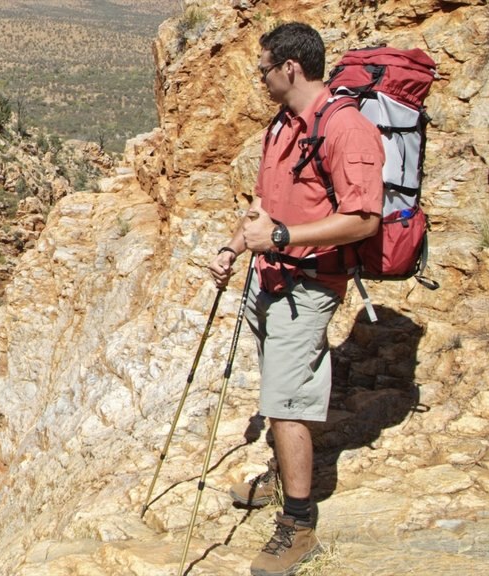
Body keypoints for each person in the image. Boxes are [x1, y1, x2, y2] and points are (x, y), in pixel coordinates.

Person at [207, 22, 384, 576]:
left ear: (290, 67)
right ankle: (286, 483)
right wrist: (234, 247)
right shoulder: (283, 127)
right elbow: (267, 204)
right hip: (270, 278)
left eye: (263, 69)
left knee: (287, 402)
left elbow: (363, 219)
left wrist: (282, 239)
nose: (259, 79)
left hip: (308, 285)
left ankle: (299, 524)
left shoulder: (347, 129)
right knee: (279, 388)